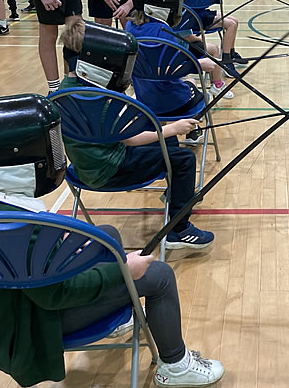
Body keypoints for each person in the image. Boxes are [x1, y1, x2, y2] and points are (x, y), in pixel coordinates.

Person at [0, 94, 224, 388]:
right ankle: (175, 366)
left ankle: (119, 318)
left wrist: (63, 249)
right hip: (32, 329)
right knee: (158, 275)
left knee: (106, 235)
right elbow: (55, 295)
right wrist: (123, 270)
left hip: (5, 317)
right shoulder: (14, 227)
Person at [59, 18, 216, 253]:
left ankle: (177, 196)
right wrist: (173, 127)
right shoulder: (101, 101)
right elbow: (130, 138)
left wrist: (168, 132)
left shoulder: (65, 89)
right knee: (183, 160)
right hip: (111, 170)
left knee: (167, 141)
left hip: (85, 167)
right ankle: (178, 229)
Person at [126, 0, 235, 136]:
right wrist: (200, 65)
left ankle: (161, 133)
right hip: (173, 102)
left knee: (175, 84)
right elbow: (170, 69)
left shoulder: (129, 27)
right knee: (192, 83)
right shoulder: (164, 32)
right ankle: (194, 131)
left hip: (145, 100)